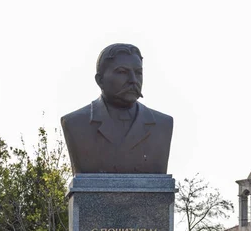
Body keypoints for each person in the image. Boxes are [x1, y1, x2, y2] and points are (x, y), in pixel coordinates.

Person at [61, 43, 173, 174]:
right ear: (100, 80)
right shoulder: (76, 123)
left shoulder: (162, 124)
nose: (133, 80)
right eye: (122, 72)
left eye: (138, 73)